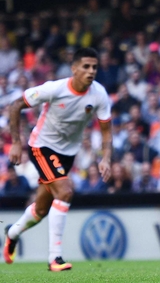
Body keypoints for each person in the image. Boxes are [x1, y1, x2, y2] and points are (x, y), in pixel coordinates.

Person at [3, 48, 113, 272]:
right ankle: (55, 259)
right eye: (86, 66)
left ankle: (12, 233)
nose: (91, 71)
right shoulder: (54, 89)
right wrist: (16, 141)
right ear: (74, 69)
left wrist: (106, 159)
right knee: (65, 192)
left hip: (67, 154)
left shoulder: (99, 95)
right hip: (42, 146)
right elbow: (16, 106)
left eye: (94, 67)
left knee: (41, 210)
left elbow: (106, 132)